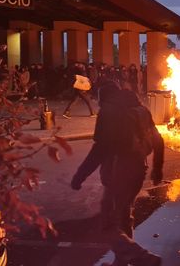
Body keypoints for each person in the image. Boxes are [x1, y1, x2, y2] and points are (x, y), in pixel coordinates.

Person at [70, 83, 164, 266]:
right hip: (139, 168)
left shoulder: (108, 112)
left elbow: (100, 149)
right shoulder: (140, 109)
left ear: (104, 97)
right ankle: (122, 261)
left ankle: (142, 257)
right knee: (123, 216)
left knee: (107, 225)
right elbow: (158, 140)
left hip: (118, 170)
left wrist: (80, 175)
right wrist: (157, 168)